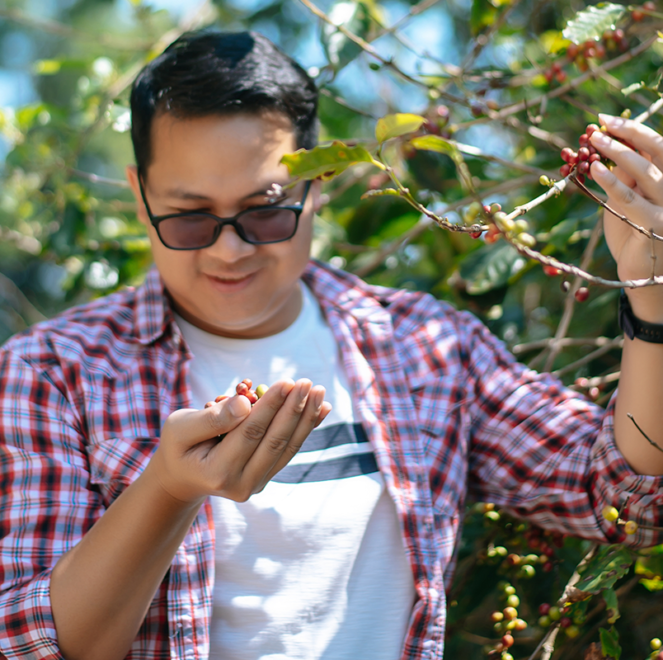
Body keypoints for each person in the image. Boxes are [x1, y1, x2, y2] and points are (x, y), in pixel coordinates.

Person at [1, 29, 663, 660]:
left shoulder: (426, 346)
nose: (229, 250)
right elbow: (37, 645)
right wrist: (166, 491)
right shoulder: (55, 373)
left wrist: (651, 297)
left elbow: (627, 499)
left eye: (265, 210)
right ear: (140, 196)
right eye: (191, 217)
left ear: (317, 186)